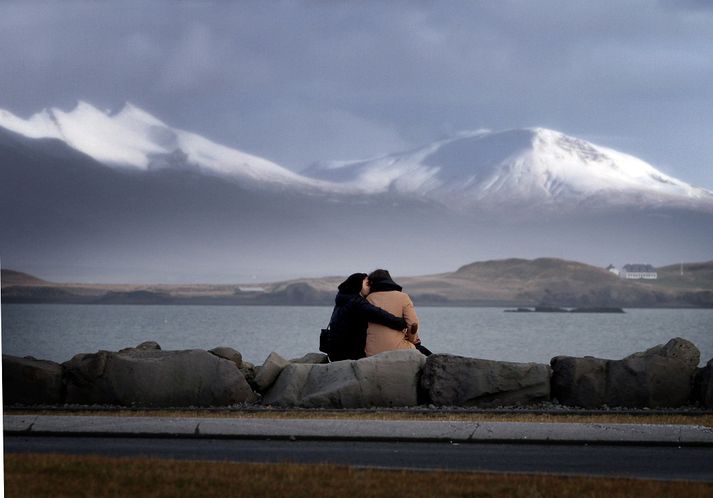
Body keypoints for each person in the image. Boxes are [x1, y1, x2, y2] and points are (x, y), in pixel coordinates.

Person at [323, 272, 408, 361]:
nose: (370, 287)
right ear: (358, 285)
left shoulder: (343, 299)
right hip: (348, 354)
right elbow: (378, 315)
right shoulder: (355, 302)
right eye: (367, 284)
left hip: (334, 351)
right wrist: (400, 323)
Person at [365, 269, 432, 357]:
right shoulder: (403, 297)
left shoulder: (368, 299)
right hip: (399, 350)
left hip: (371, 353)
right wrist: (413, 341)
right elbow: (413, 324)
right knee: (428, 355)